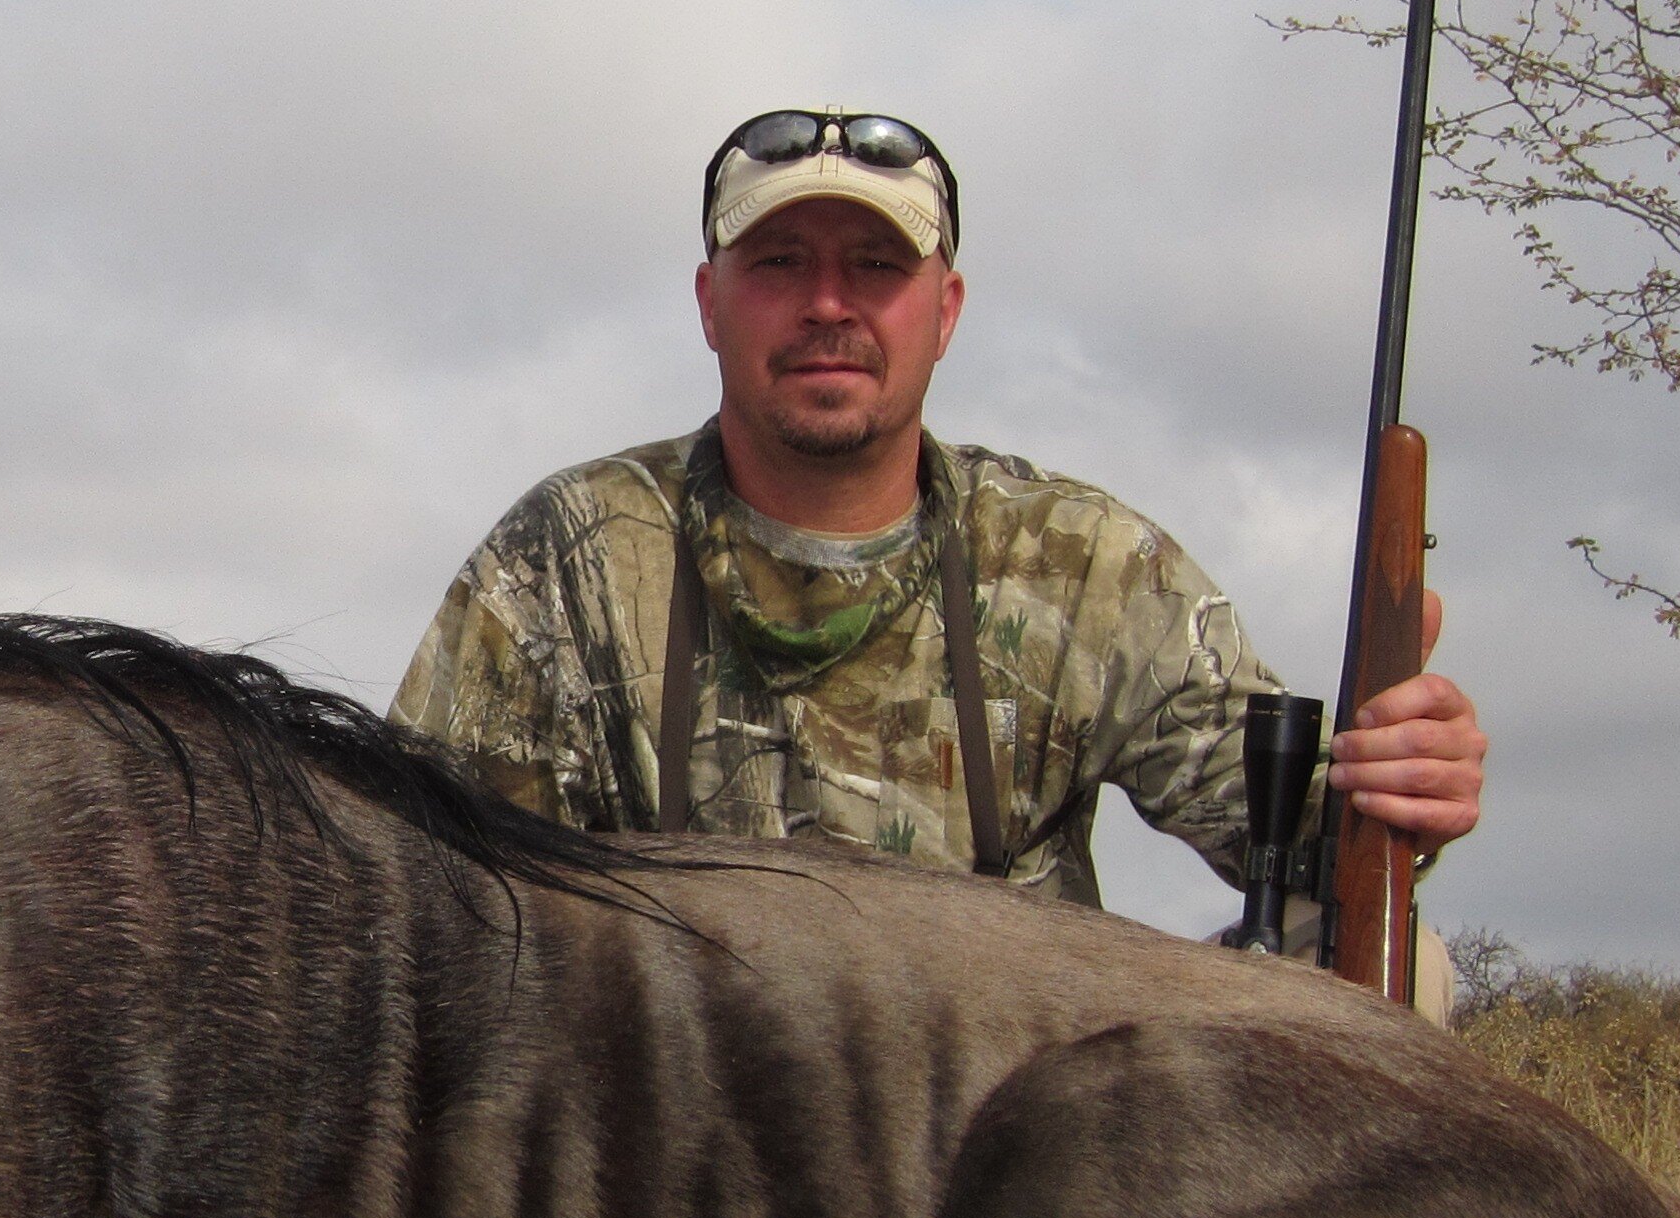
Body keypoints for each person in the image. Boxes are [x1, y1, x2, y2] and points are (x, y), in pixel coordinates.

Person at [393, 107, 1486, 919]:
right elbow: (424, 885)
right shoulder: (564, 557)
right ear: (708, 304)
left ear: (946, 311)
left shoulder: (1083, 562)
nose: (828, 305)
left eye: (876, 266)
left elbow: (1292, 849)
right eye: (779, 263)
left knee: (1392, 966)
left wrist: (1394, 789)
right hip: (687, 1148)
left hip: (1007, 1149)